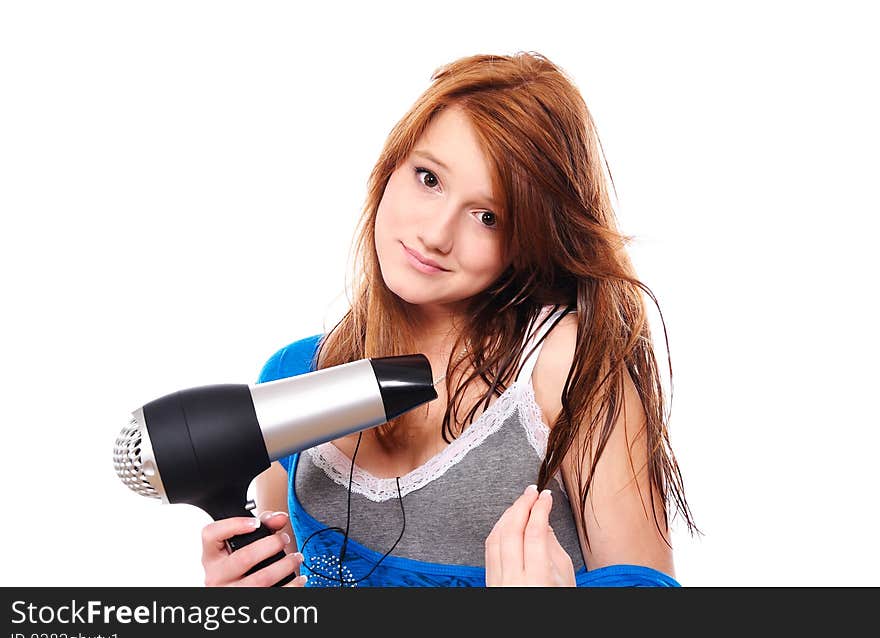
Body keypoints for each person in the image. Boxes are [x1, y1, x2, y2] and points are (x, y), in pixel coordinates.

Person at [200, 51, 697, 588]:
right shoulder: (292, 381)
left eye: (488, 216)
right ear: (390, 166)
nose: (437, 234)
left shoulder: (566, 372)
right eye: (428, 178)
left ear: (528, 239)